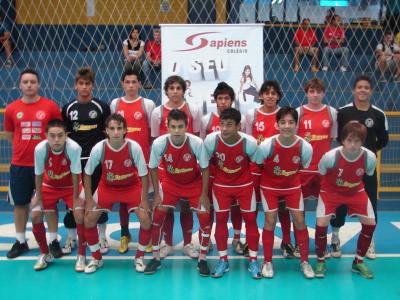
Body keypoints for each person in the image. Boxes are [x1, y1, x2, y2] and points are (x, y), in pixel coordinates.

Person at [144, 109, 211, 276]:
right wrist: (158, 194)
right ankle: (155, 257)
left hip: (193, 183)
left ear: (187, 126)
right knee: (158, 215)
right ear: (167, 127)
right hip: (170, 183)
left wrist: (203, 195)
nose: (176, 130)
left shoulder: (196, 143)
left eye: (180, 126)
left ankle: (202, 259)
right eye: (173, 126)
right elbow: (152, 167)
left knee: (204, 217)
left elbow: (205, 168)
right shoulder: (160, 143)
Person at [83, 114, 151, 273]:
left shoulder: (133, 147)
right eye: (112, 129)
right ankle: (96, 258)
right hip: (107, 188)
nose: (115, 132)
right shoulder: (99, 148)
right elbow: (87, 173)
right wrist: (88, 198)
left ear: (125, 130)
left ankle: (139, 257)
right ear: (106, 130)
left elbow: (143, 174)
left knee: (146, 220)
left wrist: (145, 199)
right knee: (88, 220)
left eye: (119, 128)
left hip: (131, 187)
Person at [329, 75, 389, 259]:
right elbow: (339, 137)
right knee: (339, 201)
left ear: (371, 91)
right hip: (344, 167)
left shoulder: (378, 114)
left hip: (367, 168)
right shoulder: (344, 112)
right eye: (359, 87)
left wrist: (367, 154)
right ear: (354, 90)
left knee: (370, 203)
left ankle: (369, 242)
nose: (363, 90)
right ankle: (336, 238)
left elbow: (384, 140)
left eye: (366, 87)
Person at [4, 69, 61, 259]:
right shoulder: (12, 109)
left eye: (33, 82)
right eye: (25, 82)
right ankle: (21, 241)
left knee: (50, 204)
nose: (29, 85)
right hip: (20, 165)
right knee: (20, 204)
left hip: (46, 165)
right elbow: (12, 136)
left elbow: (58, 133)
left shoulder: (50, 107)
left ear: (38, 84)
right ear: (20, 85)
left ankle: (53, 240)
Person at [255, 106, 314, 279]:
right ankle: (267, 262)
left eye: (291, 122)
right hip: (270, 187)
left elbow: (303, 165)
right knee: (270, 220)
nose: (287, 126)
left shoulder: (305, 147)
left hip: (292, 186)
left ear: (296, 124)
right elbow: (259, 163)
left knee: (300, 220)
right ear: (277, 125)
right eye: (283, 122)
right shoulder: (267, 145)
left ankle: (304, 261)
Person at [204, 108, 262, 279]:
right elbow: (204, 164)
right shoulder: (211, 140)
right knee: (220, 220)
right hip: (221, 186)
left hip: (244, 186)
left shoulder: (249, 142)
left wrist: (249, 182)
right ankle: (223, 260)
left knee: (250, 220)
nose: (225, 128)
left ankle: (253, 260)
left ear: (239, 126)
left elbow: (257, 163)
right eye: (222, 124)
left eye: (229, 125)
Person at [314, 122, 376, 279]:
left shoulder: (369, 157)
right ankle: (321, 260)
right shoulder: (330, 156)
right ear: (342, 140)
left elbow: (368, 173)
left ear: (363, 141)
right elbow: (321, 171)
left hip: (356, 191)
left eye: (357, 141)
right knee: (321, 224)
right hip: (330, 191)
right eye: (349, 140)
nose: (353, 145)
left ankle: (358, 261)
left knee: (370, 224)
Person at [151, 75, 202, 259]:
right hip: (167, 168)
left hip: (188, 166)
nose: (175, 91)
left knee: (187, 207)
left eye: (178, 88)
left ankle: (188, 244)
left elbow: (197, 138)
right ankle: (169, 244)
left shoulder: (193, 109)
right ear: (166, 91)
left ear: (183, 90)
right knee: (168, 207)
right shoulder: (157, 112)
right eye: (171, 88)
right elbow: (155, 140)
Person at [61, 67, 111, 255]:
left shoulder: (102, 107)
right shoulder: (68, 108)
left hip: (96, 161)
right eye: (81, 83)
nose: (84, 87)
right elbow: (64, 136)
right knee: (72, 201)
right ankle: (71, 237)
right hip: (74, 162)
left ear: (92, 85)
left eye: (87, 84)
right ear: (76, 85)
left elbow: (108, 133)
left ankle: (102, 236)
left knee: (99, 199)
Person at [244, 80, 295, 259]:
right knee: (252, 206)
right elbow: (247, 141)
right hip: (256, 167)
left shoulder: (283, 115)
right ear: (261, 96)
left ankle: (286, 241)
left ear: (278, 96)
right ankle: (250, 241)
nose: (270, 96)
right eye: (267, 93)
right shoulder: (251, 114)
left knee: (282, 207)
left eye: (274, 93)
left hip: (278, 169)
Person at [110, 69, 155, 254]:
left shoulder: (148, 104)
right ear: (122, 84)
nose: (130, 85)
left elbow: (152, 133)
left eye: (134, 82)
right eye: (127, 82)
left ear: (139, 84)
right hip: (121, 162)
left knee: (146, 199)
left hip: (142, 162)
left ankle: (148, 234)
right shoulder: (115, 103)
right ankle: (124, 233)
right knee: (122, 199)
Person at [31, 119, 85, 271]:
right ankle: (44, 253)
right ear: (46, 135)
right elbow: (39, 174)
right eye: (52, 136)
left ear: (66, 135)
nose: (56, 140)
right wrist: (38, 196)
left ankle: (81, 255)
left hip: (70, 186)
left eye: (60, 136)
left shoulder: (74, 148)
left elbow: (76, 174)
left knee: (80, 215)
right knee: (35, 215)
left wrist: (75, 199)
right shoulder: (40, 148)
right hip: (48, 186)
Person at [200, 82, 246, 256]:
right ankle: (207, 238)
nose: (223, 101)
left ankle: (236, 239)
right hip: (213, 173)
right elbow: (203, 149)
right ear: (215, 100)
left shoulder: (240, 120)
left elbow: (244, 143)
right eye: (220, 98)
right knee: (210, 207)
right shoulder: (207, 120)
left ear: (232, 100)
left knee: (236, 207)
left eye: (226, 98)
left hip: (235, 173)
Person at [296, 78, 337, 207]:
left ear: (323, 93)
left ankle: (321, 228)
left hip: (323, 168)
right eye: (311, 91)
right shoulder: (298, 112)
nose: (315, 94)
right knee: (300, 207)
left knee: (324, 206)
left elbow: (331, 138)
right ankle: (299, 228)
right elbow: (295, 139)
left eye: (318, 91)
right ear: (306, 93)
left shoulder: (332, 112)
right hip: (304, 168)